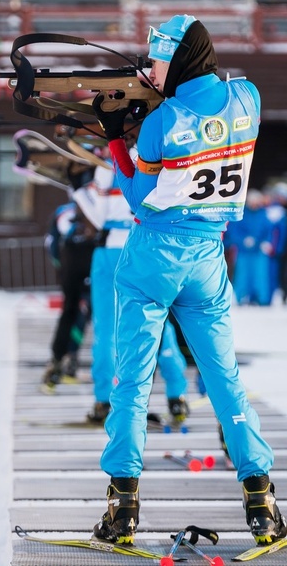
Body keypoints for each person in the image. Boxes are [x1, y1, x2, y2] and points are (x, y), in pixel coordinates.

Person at [90, 14, 285, 548]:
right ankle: (261, 498)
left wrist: (115, 139)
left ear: (174, 57)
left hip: (153, 254)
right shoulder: (249, 98)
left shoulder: (161, 122)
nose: (150, 70)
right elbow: (209, 115)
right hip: (208, 256)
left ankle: (122, 504)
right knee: (225, 381)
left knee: (132, 381)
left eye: (156, 60)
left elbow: (139, 196)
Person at [71, 151, 189, 426]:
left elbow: (96, 216)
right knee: (159, 322)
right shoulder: (157, 154)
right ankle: (177, 394)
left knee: (108, 327)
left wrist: (78, 189)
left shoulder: (108, 163)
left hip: (112, 248)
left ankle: (103, 400)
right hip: (149, 247)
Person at [42, 198, 97, 389]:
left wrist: (60, 267)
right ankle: (70, 359)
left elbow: (51, 243)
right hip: (95, 262)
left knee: (70, 311)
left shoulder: (63, 211)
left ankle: (58, 361)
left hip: (71, 264)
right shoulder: (98, 202)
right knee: (97, 314)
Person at [225, 190, 277, 306]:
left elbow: (269, 230)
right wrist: (242, 240)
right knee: (242, 275)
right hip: (243, 251)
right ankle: (241, 297)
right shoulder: (241, 214)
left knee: (260, 275)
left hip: (259, 251)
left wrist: (266, 242)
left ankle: (261, 298)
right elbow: (233, 231)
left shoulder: (264, 214)